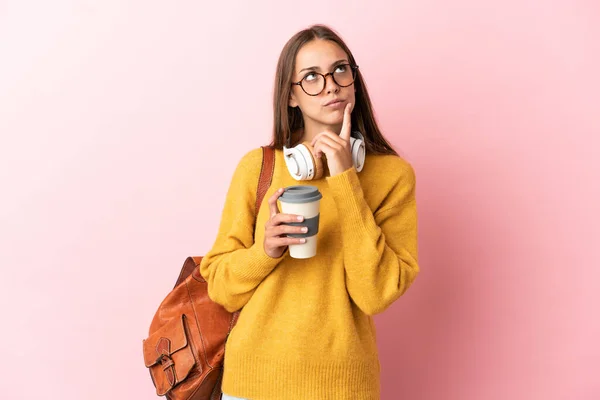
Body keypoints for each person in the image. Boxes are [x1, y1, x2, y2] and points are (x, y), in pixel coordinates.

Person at [200, 24, 419, 400]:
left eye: (340, 70)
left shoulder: (392, 176)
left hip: (344, 387)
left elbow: (376, 294)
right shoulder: (258, 168)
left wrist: (345, 178)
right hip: (253, 384)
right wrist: (263, 251)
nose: (331, 85)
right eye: (311, 78)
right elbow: (220, 287)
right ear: (291, 96)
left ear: (353, 80)